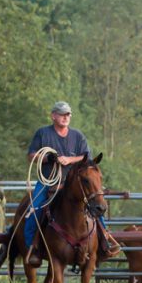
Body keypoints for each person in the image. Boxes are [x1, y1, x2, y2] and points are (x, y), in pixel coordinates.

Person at [23, 101, 120, 266]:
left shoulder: (77, 136)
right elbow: (31, 156)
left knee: (96, 206)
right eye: (62, 114)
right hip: (49, 182)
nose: (65, 117)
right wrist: (48, 158)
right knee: (36, 209)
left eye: (68, 114)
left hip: (74, 184)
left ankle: (105, 241)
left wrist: (69, 159)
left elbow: (86, 158)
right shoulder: (43, 134)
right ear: (53, 116)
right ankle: (33, 247)